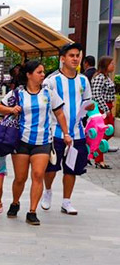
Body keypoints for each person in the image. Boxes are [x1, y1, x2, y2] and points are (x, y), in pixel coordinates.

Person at [0, 60, 71, 226]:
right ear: (29, 75)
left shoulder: (48, 93)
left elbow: (59, 114)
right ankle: (15, 202)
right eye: (39, 72)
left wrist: (66, 133)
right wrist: (11, 109)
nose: (43, 75)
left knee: (38, 175)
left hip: (43, 141)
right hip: (21, 141)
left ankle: (32, 211)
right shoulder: (18, 93)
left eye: (43, 72)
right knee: (20, 178)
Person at [42, 43, 94, 216]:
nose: (75, 58)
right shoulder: (51, 81)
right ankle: (47, 191)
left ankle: (66, 201)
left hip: (77, 132)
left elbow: (88, 102)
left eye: (77, 55)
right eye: (71, 55)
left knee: (72, 168)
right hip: (54, 131)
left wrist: (91, 110)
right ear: (62, 59)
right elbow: (44, 104)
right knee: (51, 168)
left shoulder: (83, 80)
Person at [91, 56, 116, 169]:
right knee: (103, 132)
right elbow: (96, 95)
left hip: (107, 107)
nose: (113, 66)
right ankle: (98, 158)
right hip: (102, 109)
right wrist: (105, 109)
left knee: (108, 132)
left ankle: (95, 152)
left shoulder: (106, 77)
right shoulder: (100, 77)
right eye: (111, 64)